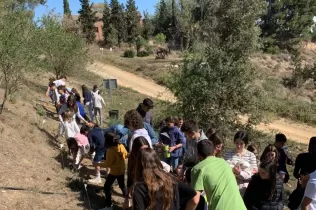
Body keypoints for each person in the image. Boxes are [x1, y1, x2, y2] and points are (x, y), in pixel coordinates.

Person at [132, 148, 198, 210]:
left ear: (138, 164)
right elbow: (192, 194)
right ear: (157, 161)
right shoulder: (170, 179)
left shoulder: (140, 187)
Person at [191, 140, 247, 210]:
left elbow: (194, 201)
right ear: (213, 151)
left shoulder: (198, 169)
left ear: (198, 154)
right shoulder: (224, 163)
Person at [126, 136, 172, 206]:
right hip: (140, 188)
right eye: (141, 150)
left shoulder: (150, 157)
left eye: (146, 149)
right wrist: (127, 195)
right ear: (136, 150)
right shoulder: (132, 158)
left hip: (152, 187)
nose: (144, 153)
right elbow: (130, 176)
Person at [99, 132, 128, 210]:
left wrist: (98, 164)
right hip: (122, 170)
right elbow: (126, 155)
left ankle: (108, 206)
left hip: (114, 172)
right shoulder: (121, 146)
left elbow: (108, 164)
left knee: (106, 187)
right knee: (122, 186)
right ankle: (128, 202)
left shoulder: (110, 151)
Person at [224, 131, 258, 196]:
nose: (239, 146)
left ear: (246, 143)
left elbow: (253, 173)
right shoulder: (228, 154)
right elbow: (225, 169)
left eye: (241, 143)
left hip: (245, 190)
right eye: (237, 143)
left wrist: (240, 173)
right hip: (230, 187)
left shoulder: (251, 155)